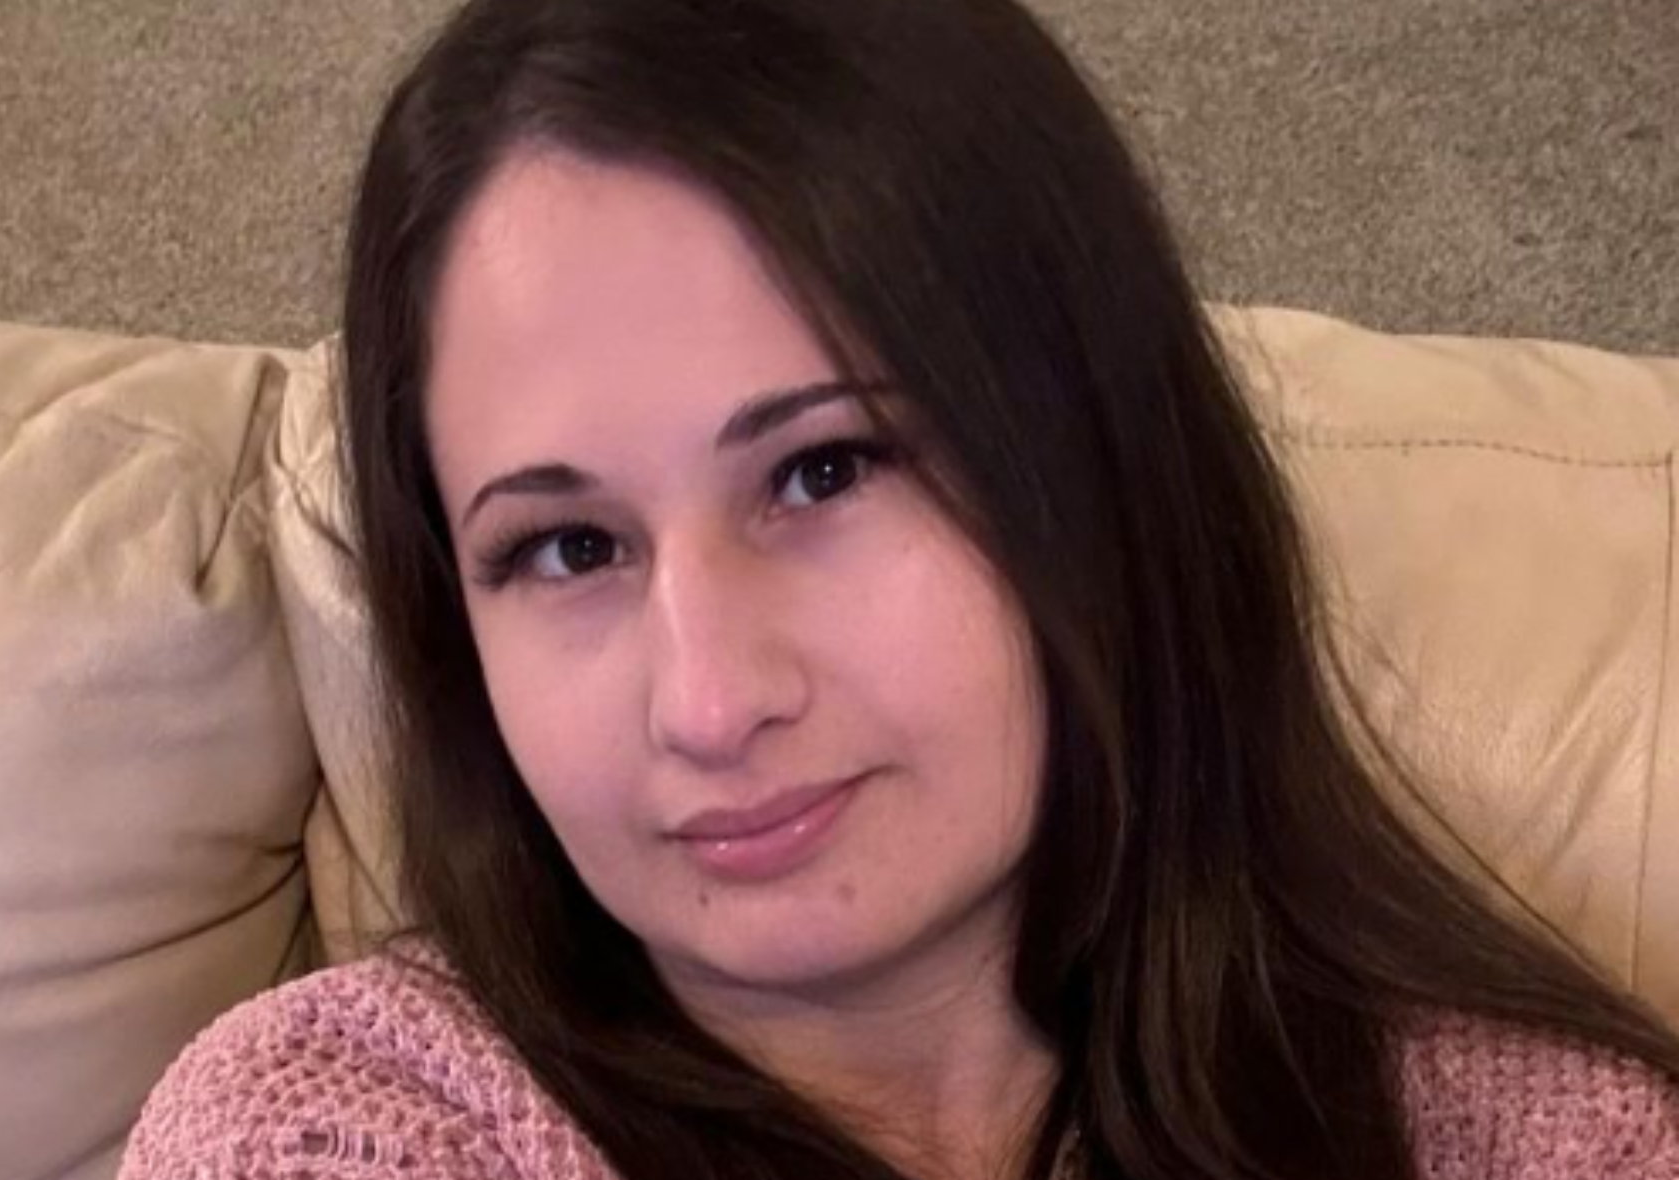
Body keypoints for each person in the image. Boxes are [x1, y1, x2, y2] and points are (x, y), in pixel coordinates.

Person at [120, 0, 1679, 1177]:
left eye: (825, 471)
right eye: (569, 549)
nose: (711, 702)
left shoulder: (1539, 1138)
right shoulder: (335, 1130)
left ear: (1095, 460)